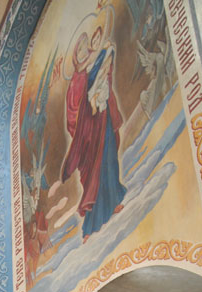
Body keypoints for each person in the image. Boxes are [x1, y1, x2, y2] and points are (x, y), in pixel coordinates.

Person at [61, 25, 126, 243]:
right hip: (90, 131)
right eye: (81, 49)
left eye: (95, 40)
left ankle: (114, 201)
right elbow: (74, 111)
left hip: (103, 120)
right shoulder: (79, 76)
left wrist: (108, 56)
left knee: (109, 159)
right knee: (94, 174)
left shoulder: (98, 61)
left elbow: (105, 79)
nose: (87, 50)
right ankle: (90, 226)